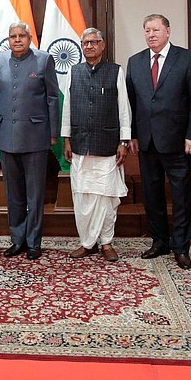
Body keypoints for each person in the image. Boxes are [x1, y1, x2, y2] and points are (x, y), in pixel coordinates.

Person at [126, 14, 191, 269]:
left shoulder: (187, 59)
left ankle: (181, 247)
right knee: (152, 195)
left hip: (178, 142)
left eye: (156, 30)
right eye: (147, 30)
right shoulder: (136, 62)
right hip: (147, 142)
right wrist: (134, 135)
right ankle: (159, 241)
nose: (151, 34)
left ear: (168, 31)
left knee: (181, 195)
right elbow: (131, 103)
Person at [0, 21, 59, 260]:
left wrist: (54, 132)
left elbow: (52, 97)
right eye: (13, 36)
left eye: (22, 36)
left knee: (35, 194)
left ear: (30, 38)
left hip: (36, 136)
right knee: (13, 193)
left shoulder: (44, 59)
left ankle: (34, 242)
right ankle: (17, 239)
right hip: (7, 136)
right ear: (8, 39)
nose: (17, 40)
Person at [61, 28, 131, 262]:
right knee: (82, 197)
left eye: (94, 42)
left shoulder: (115, 71)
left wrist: (124, 141)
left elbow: (124, 108)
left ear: (103, 45)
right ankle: (86, 242)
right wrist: (67, 138)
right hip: (80, 144)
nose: (89, 46)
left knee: (106, 198)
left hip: (107, 145)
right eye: (85, 43)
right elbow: (67, 106)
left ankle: (107, 242)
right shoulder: (74, 71)